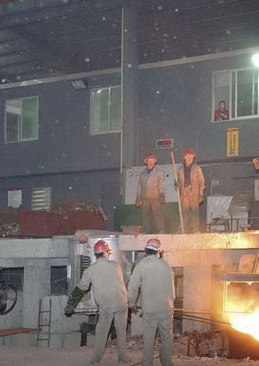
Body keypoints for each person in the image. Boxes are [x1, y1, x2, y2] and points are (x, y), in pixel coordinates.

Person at [64, 240, 130, 365]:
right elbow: (120, 283)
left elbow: (81, 288)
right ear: (106, 252)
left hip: (106, 307)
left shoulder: (90, 270)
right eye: (108, 252)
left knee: (101, 333)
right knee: (121, 332)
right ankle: (122, 358)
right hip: (121, 303)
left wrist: (70, 304)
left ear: (95, 254)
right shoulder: (116, 266)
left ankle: (96, 360)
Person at [128, 238, 175, 366]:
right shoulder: (166, 266)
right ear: (159, 252)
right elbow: (172, 290)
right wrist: (171, 303)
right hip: (166, 308)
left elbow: (133, 286)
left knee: (148, 340)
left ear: (145, 251)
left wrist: (131, 303)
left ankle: (147, 363)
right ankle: (167, 363)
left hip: (149, 310)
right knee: (167, 338)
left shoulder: (141, 266)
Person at [176, 149, 205, 233]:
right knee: (184, 211)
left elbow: (202, 181)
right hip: (184, 191)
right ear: (184, 157)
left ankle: (195, 230)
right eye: (187, 156)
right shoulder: (180, 169)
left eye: (191, 157)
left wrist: (201, 194)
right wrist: (176, 184)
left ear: (193, 157)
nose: (189, 158)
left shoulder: (197, 168)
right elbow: (177, 181)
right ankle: (182, 230)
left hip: (194, 191)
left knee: (194, 211)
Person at [136, 153, 166, 233]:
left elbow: (161, 184)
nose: (150, 163)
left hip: (155, 197)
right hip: (145, 197)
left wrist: (162, 194)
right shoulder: (142, 174)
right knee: (145, 215)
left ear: (154, 162)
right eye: (148, 161)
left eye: (152, 161)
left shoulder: (158, 173)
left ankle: (161, 230)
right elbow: (139, 186)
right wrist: (138, 197)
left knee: (157, 214)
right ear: (146, 162)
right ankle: (146, 230)